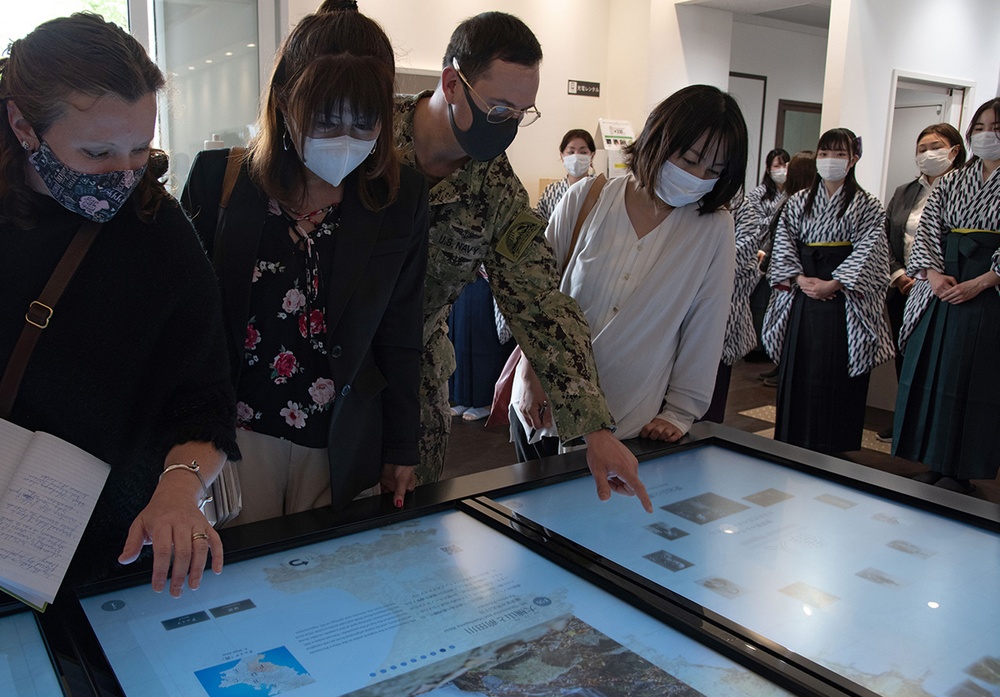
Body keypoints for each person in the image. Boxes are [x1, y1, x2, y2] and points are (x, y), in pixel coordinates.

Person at [0, 13, 238, 596]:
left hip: (112, 550)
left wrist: (182, 488)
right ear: (23, 126)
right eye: (98, 152)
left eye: (140, 149)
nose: (125, 175)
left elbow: (204, 400)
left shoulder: (159, 234)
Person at [384, 10, 651, 510]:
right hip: (331, 372)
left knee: (408, 525)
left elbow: (541, 303)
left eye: (521, 113)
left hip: (416, 382)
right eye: (500, 108)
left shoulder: (495, 188)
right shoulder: (369, 138)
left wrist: (593, 426)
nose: (508, 126)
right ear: (452, 83)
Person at [182, 6, 429, 520]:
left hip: (342, 434)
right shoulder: (218, 179)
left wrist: (403, 446)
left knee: (326, 582)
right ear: (284, 101)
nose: (346, 137)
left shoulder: (399, 196)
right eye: (325, 119)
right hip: (235, 433)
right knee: (239, 577)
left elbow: (401, 330)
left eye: (365, 122)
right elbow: (187, 323)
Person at [511, 85, 748, 455]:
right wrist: (528, 373)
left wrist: (681, 412)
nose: (698, 177)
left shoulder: (713, 229)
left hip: (631, 422)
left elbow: (707, 322)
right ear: (658, 139)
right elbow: (536, 297)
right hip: (544, 407)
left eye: (714, 170)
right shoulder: (586, 198)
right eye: (689, 160)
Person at [892, 98, 1000, 494]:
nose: (989, 135)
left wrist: (986, 280)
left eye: (997, 127)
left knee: (978, 380)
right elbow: (928, 229)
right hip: (944, 282)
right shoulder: (955, 181)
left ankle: (963, 467)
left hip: (989, 291)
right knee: (935, 371)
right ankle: (934, 459)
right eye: (982, 127)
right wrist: (933, 274)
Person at [762, 128, 893, 455]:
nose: (829, 160)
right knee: (800, 370)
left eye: (838, 154)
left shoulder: (868, 205)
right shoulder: (798, 202)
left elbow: (871, 250)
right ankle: (792, 441)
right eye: (824, 153)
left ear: (853, 160)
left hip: (843, 300)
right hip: (802, 295)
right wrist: (797, 278)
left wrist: (836, 281)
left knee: (836, 372)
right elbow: (784, 244)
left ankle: (835, 446)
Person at [876, 123, 966, 442]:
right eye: (922, 148)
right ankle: (905, 421)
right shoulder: (904, 192)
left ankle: (935, 431)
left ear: (954, 150)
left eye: (935, 146)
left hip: (947, 289)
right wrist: (899, 275)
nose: (928, 154)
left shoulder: (964, 189)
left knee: (940, 361)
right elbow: (885, 238)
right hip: (904, 288)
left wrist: (932, 278)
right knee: (907, 357)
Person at [702, 148, 789, 421]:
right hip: (676, 304)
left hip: (721, 305)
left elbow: (747, 250)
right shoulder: (682, 196)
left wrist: (701, 266)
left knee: (710, 394)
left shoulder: (740, 203)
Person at [536, 128, 596, 220]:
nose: (576, 156)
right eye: (571, 152)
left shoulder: (601, 190)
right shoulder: (550, 192)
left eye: (583, 152)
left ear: (592, 156)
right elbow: (539, 225)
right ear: (562, 155)